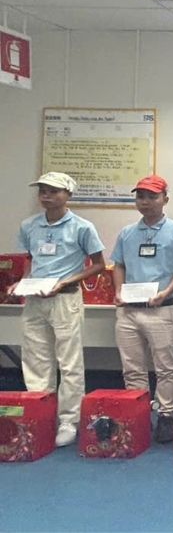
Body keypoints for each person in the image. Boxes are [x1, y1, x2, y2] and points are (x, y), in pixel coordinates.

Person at [12, 172, 105, 447]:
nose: (46, 196)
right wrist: (22, 282)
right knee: (35, 359)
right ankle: (41, 414)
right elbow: (31, 261)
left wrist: (64, 281)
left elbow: (98, 264)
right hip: (35, 299)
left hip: (65, 298)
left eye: (53, 191)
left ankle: (69, 420)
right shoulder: (29, 225)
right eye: (42, 190)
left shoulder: (82, 227)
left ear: (68, 195)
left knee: (69, 361)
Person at [112, 175, 173, 443]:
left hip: (162, 308)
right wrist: (118, 291)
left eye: (152, 197)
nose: (145, 202)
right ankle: (137, 414)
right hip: (129, 310)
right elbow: (118, 264)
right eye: (141, 197)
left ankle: (166, 414)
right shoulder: (127, 233)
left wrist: (167, 291)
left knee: (165, 366)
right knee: (132, 367)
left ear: (165, 199)